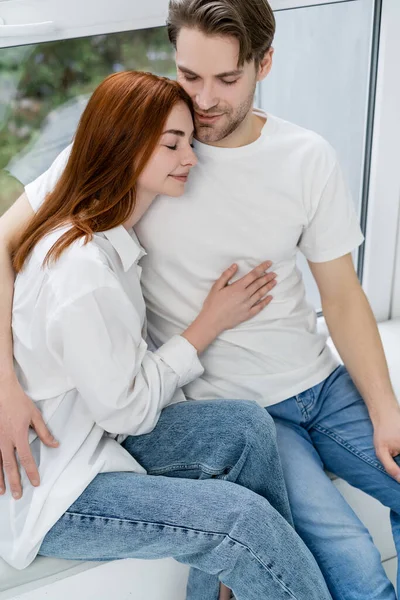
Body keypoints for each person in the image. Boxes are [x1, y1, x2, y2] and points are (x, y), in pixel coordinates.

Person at [0, 0, 399, 598]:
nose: (205, 100)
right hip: (216, 401)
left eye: (227, 79)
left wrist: (385, 409)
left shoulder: (302, 156)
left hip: (317, 380)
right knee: (353, 563)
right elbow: (10, 246)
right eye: (190, 77)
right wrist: (4, 383)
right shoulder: (131, 148)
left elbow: (340, 297)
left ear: (264, 64)